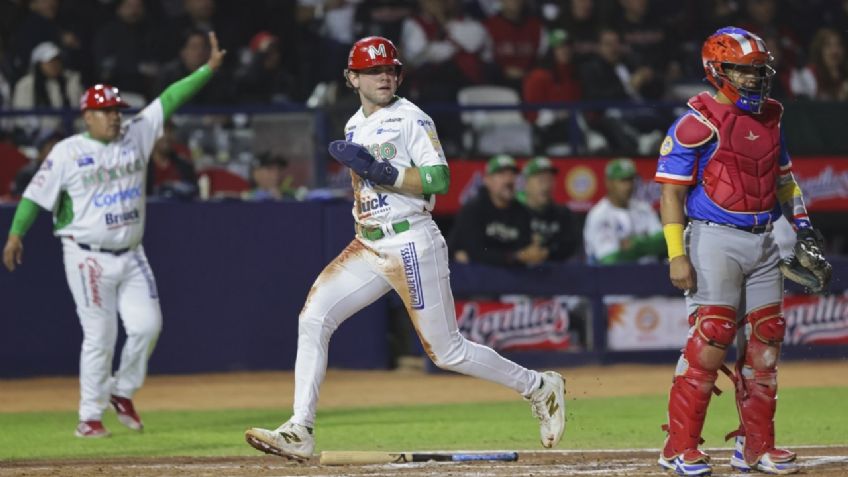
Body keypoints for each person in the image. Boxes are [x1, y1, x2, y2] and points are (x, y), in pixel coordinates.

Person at [244, 36, 565, 461]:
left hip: (411, 238)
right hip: (367, 243)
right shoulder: (354, 125)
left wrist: (382, 170)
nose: (384, 76)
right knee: (314, 318)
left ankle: (539, 386)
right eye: (373, 70)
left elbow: (439, 181)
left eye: (390, 70)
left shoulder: (411, 118)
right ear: (351, 78)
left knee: (447, 351)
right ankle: (300, 428)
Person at [2, 32, 226, 438]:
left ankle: (121, 391)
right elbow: (34, 196)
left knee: (146, 327)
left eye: (116, 110)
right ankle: (89, 416)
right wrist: (16, 234)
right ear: (87, 116)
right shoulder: (68, 151)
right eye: (105, 111)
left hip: (131, 251)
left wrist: (207, 70)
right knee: (100, 335)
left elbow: (170, 98)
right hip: (86, 254)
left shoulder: (136, 132)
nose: (114, 117)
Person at [655, 27, 827, 475]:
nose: (754, 80)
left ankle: (756, 447)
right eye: (744, 72)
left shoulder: (772, 116)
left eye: (758, 72)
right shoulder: (697, 119)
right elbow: (671, 193)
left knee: (766, 341)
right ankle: (678, 447)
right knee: (712, 337)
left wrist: (804, 227)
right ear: (717, 70)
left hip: (763, 236)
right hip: (712, 236)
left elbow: (784, 179)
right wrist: (676, 252)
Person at [449, 154, 548, 267]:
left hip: (512, 279)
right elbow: (473, 252)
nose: (508, 180)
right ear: (487, 180)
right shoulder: (472, 210)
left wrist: (530, 253)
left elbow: (525, 251)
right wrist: (516, 257)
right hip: (475, 279)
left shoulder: (522, 213)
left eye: (512, 174)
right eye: (501, 174)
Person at [583, 158, 664, 265]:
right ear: (609, 183)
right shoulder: (599, 214)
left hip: (649, 274)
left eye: (631, 180)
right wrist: (649, 244)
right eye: (623, 181)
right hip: (613, 278)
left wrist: (636, 244)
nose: (629, 186)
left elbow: (664, 242)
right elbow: (609, 259)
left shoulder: (644, 208)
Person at [519, 156, 580, 262]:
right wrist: (523, 254)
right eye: (541, 180)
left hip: (557, 274)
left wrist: (546, 253)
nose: (546, 186)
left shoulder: (564, 214)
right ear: (526, 184)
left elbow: (572, 246)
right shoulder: (515, 214)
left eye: (549, 180)